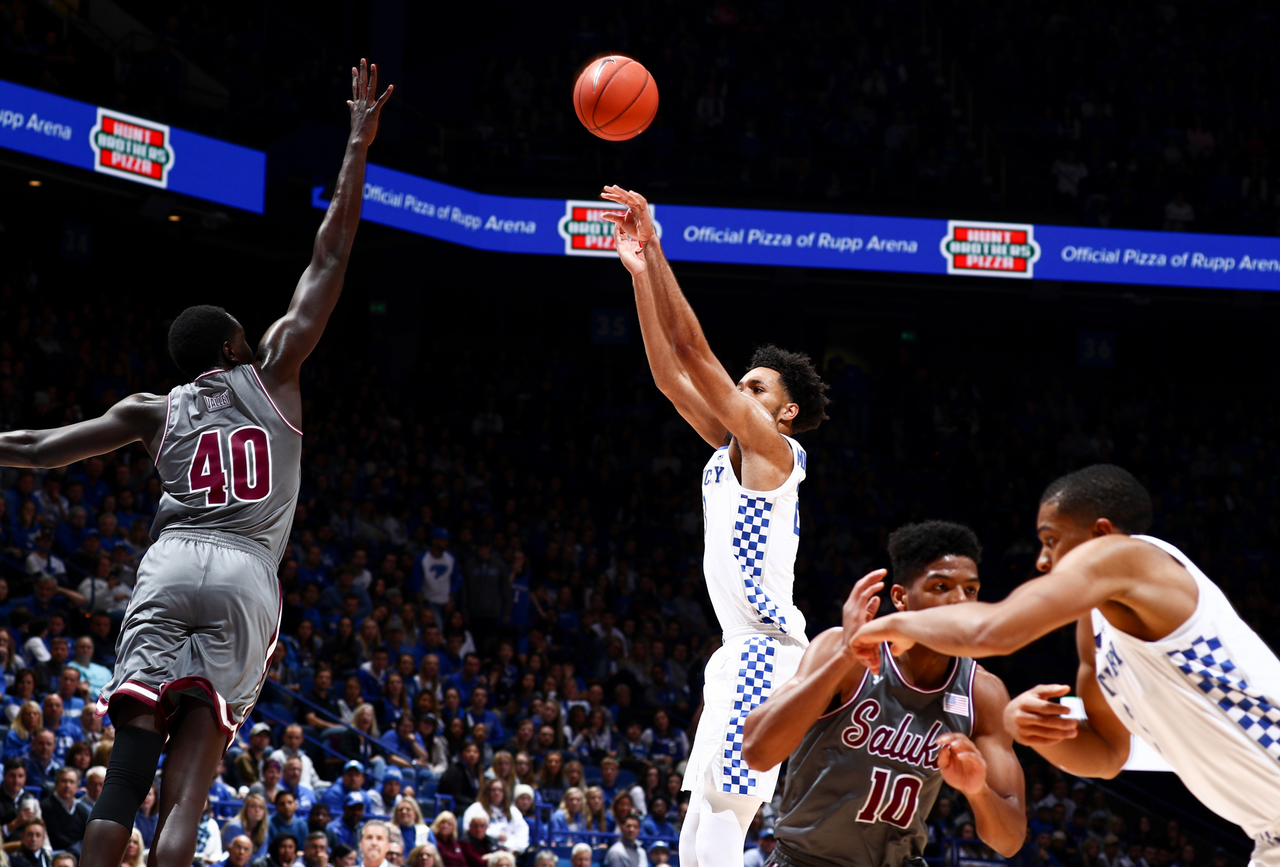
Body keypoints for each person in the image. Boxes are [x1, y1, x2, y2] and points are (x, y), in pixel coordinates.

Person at [0, 58, 394, 867]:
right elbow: (329, 258)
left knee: (128, 765)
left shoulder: (153, 409)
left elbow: (38, 449)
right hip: (248, 573)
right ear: (230, 346)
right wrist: (356, 145)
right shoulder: (276, 370)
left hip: (172, 560)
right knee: (192, 780)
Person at [850, 464, 1280, 867]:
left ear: (1102, 534)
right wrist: (1033, 731)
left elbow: (994, 632)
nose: (1042, 559)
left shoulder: (1129, 557)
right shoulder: (1095, 626)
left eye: (1051, 539)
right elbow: (1108, 755)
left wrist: (900, 624)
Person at [602, 185, 827, 867]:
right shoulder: (726, 450)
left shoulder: (775, 452)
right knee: (698, 831)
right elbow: (672, 375)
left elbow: (695, 351)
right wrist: (641, 276)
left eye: (756, 388)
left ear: (784, 414)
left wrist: (659, 246)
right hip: (736, 650)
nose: (742, 390)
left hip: (768, 646)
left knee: (727, 819)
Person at [743, 521, 1026, 867]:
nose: (959, 601)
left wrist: (977, 790)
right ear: (900, 598)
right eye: (941, 586)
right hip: (805, 860)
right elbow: (756, 751)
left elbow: (1010, 841)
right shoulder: (842, 650)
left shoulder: (984, 692)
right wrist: (846, 654)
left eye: (970, 590)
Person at [462, 778, 528, 854]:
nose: (497, 792)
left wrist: (517, 849)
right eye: (493, 790)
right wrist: (496, 835)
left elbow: (522, 830)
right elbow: (468, 829)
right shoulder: (476, 808)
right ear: (487, 792)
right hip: (484, 849)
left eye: (500, 790)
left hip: (509, 850)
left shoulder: (512, 810)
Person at [41, 767, 91, 854]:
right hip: (57, 852)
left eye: (72, 782)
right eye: (64, 781)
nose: (68, 785)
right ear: (56, 784)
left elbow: (87, 835)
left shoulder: (81, 809)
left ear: (77, 786)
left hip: (77, 852)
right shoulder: (46, 806)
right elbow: (55, 836)